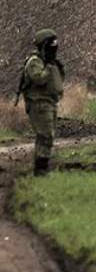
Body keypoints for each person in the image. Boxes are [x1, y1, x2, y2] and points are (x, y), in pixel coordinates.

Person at [19, 29, 65, 176]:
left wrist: (52, 64)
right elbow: (39, 79)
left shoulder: (47, 61)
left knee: (48, 135)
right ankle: (40, 170)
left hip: (49, 102)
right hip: (38, 103)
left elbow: (58, 81)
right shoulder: (35, 62)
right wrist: (50, 67)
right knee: (45, 135)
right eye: (51, 44)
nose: (54, 47)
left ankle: (42, 168)